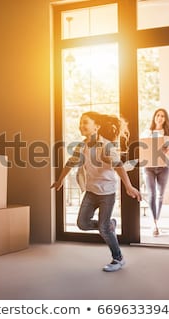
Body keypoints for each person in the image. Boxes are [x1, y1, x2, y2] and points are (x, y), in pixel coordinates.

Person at [51, 111, 142, 272]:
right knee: (82, 224)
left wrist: (128, 186)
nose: (81, 125)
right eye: (80, 122)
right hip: (91, 192)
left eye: (85, 122)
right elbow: (70, 163)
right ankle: (108, 225)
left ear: (97, 127)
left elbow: (119, 166)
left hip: (107, 193)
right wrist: (60, 180)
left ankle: (118, 258)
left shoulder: (106, 146)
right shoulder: (82, 145)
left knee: (104, 229)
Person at [141, 108, 169, 236]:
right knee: (152, 194)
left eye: (162, 116)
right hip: (149, 167)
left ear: (165, 119)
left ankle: (157, 221)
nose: (160, 118)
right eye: (158, 115)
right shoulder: (147, 132)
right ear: (154, 117)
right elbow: (142, 147)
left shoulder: (168, 132)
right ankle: (153, 223)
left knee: (160, 195)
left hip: (163, 166)